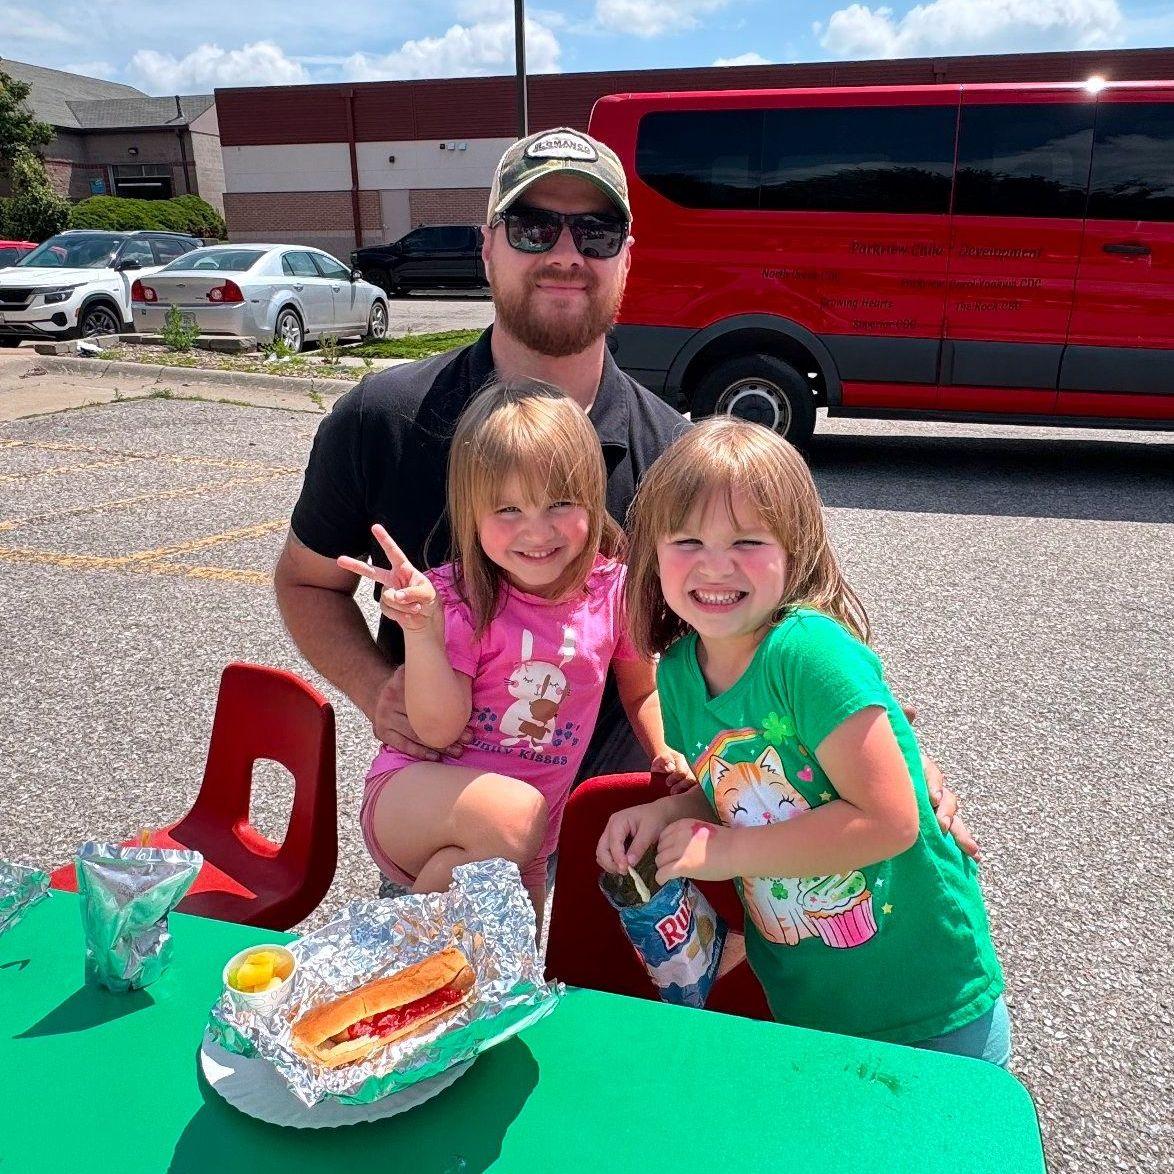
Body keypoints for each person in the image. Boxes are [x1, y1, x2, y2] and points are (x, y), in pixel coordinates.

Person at [273, 124, 975, 854]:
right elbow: (307, 581)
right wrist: (376, 689)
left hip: (627, 831)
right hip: (454, 821)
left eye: (597, 233)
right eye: (533, 227)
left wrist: (886, 744)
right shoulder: (383, 419)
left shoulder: (674, 456)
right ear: (488, 247)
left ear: (626, 260)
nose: (566, 254)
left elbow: (788, 621)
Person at [597, 418, 1009, 1064]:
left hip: (924, 992)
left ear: (796, 549)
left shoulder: (809, 654)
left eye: (747, 540)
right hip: (807, 996)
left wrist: (728, 851)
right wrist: (664, 813)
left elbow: (890, 820)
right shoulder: (675, 675)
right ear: (653, 552)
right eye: (688, 540)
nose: (715, 564)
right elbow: (737, 794)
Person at [339, 381, 688, 925]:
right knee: (516, 817)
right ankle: (391, 949)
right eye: (508, 508)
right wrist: (425, 632)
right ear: (472, 514)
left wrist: (665, 750)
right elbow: (437, 730)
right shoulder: (455, 599)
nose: (536, 530)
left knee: (501, 958)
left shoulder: (615, 593)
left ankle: (401, 955)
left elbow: (641, 689)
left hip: (526, 843)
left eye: (559, 503)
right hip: (416, 799)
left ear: (593, 498)